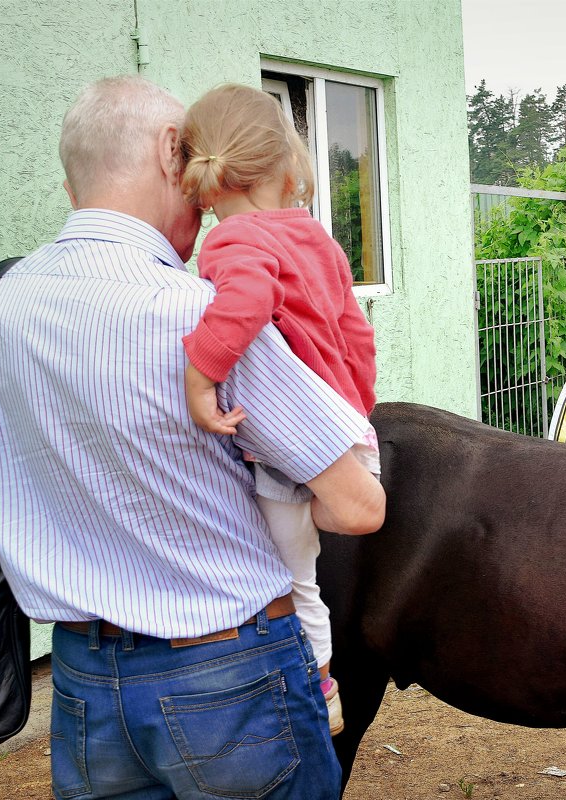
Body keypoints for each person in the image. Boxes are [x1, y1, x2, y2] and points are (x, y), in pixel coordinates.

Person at [0, 75, 386, 800]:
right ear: (173, 153)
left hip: (80, 682)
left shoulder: (3, 305)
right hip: (228, 683)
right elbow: (358, 507)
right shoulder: (196, 315)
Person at [177, 82, 379, 736]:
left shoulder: (233, 243)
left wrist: (200, 380)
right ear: (284, 166)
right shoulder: (314, 238)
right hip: (346, 426)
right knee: (314, 545)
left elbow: (243, 306)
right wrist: (356, 413)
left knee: (295, 580)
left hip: (295, 442)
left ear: (204, 181)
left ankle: (321, 685)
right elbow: (356, 334)